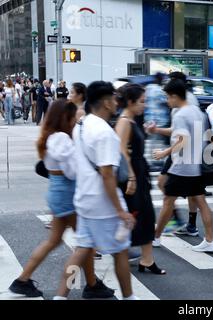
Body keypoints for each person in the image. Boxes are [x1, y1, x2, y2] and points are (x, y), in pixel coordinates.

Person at [9, 99, 114, 298]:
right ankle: (88, 285)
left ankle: (23, 279)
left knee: (57, 241)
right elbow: (71, 172)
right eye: (73, 118)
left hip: (58, 193)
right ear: (64, 118)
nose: (75, 122)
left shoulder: (51, 137)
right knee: (85, 244)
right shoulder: (62, 139)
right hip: (67, 195)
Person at [54, 81, 139, 300]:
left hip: (84, 199)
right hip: (104, 204)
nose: (116, 102)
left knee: (82, 250)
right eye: (113, 98)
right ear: (106, 102)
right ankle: (129, 297)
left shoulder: (81, 125)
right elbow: (107, 175)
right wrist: (120, 210)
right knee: (120, 250)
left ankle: (61, 296)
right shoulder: (105, 133)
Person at [152, 79, 213, 252]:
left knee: (168, 201)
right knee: (201, 202)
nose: (167, 101)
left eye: (168, 97)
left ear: (175, 96)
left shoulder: (181, 114)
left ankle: (156, 237)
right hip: (195, 165)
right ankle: (210, 240)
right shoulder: (197, 111)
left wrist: (164, 153)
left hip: (182, 166)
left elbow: (182, 140)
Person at [115, 83, 166, 274]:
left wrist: (147, 131)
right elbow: (121, 150)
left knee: (145, 216)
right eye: (141, 102)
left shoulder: (132, 120)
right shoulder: (124, 121)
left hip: (138, 171)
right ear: (130, 102)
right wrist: (131, 177)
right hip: (132, 174)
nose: (144, 105)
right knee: (137, 216)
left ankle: (147, 260)